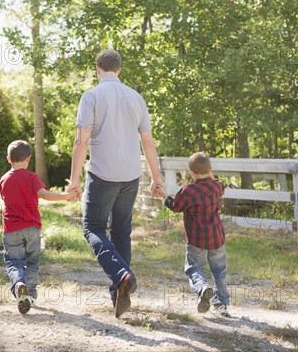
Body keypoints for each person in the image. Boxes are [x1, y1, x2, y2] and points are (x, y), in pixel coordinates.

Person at [66, 49, 164, 318]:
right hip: (131, 176)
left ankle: (122, 276)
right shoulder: (136, 97)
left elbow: (81, 141)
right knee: (121, 232)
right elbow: (148, 142)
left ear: (98, 69)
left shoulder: (91, 96)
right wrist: (157, 179)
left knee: (93, 228)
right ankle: (118, 293)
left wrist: (74, 180)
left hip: (102, 176)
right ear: (119, 69)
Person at [0, 140, 77, 314]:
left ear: (8, 159)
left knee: (14, 262)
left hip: (11, 229)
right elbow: (44, 195)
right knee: (32, 263)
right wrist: (65, 196)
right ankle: (31, 294)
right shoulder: (32, 177)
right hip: (32, 229)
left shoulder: (3, 179)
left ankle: (19, 284)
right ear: (28, 159)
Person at [156, 151, 230, 317]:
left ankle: (203, 287)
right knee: (219, 271)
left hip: (197, 239)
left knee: (193, 268)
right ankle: (222, 303)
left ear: (191, 172)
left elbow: (175, 207)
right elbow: (220, 186)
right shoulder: (217, 187)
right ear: (210, 170)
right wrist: (210, 173)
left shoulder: (188, 191)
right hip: (217, 238)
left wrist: (165, 196)